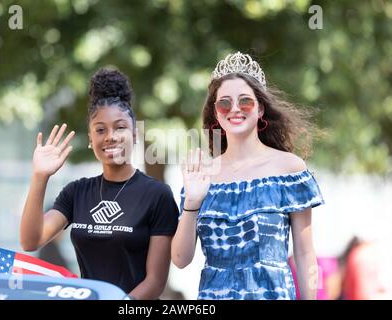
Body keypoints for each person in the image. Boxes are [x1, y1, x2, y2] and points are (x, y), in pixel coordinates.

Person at [171, 52, 325, 300]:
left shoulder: (289, 169)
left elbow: (305, 254)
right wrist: (191, 203)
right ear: (216, 113)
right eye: (224, 103)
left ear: (261, 108)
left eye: (245, 101)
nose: (234, 109)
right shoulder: (201, 175)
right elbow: (180, 260)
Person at [20, 68, 179, 299]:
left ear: (135, 134)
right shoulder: (77, 192)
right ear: (91, 138)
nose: (110, 136)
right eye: (100, 130)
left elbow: (155, 281)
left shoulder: (157, 195)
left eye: (120, 127)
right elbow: (30, 240)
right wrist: (39, 177)